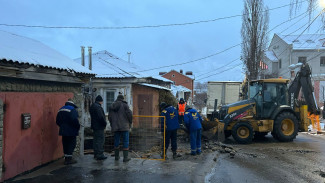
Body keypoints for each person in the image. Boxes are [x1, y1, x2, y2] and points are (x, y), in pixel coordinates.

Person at [109, 94, 133, 162]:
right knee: (125, 141)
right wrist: (130, 122)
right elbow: (129, 115)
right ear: (122, 99)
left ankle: (116, 157)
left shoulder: (111, 106)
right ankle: (125, 158)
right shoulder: (125, 105)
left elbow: (110, 117)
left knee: (116, 141)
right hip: (124, 126)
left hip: (115, 127)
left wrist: (112, 124)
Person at [56, 99, 80, 165]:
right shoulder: (72, 109)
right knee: (71, 144)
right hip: (71, 130)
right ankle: (69, 159)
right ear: (72, 104)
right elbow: (75, 120)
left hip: (63, 130)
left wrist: (62, 126)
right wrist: (77, 127)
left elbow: (57, 121)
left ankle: (66, 158)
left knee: (65, 143)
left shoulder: (61, 109)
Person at [90, 95, 107, 160]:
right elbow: (101, 117)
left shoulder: (92, 106)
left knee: (95, 140)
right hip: (99, 126)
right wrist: (104, 123)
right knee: (100, 140)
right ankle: (100, 154)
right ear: (100, 101)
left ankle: (96, 153)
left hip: (94, 126)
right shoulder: (98, 107)